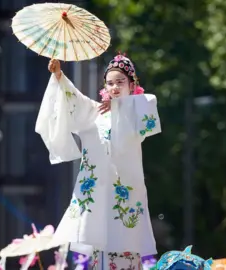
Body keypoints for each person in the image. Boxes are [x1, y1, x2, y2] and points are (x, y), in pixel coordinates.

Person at [35, 53, 162, 270]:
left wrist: (119, 107)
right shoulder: (95, 112)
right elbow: (73, 99)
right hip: (97, 203)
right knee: (98, 256)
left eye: (120, 82)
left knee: (127, 251)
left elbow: (149, 105)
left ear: (132, 85)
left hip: (125, 200)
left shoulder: (136, 111)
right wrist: (59, 75)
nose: (114, 87)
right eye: (110, 83)